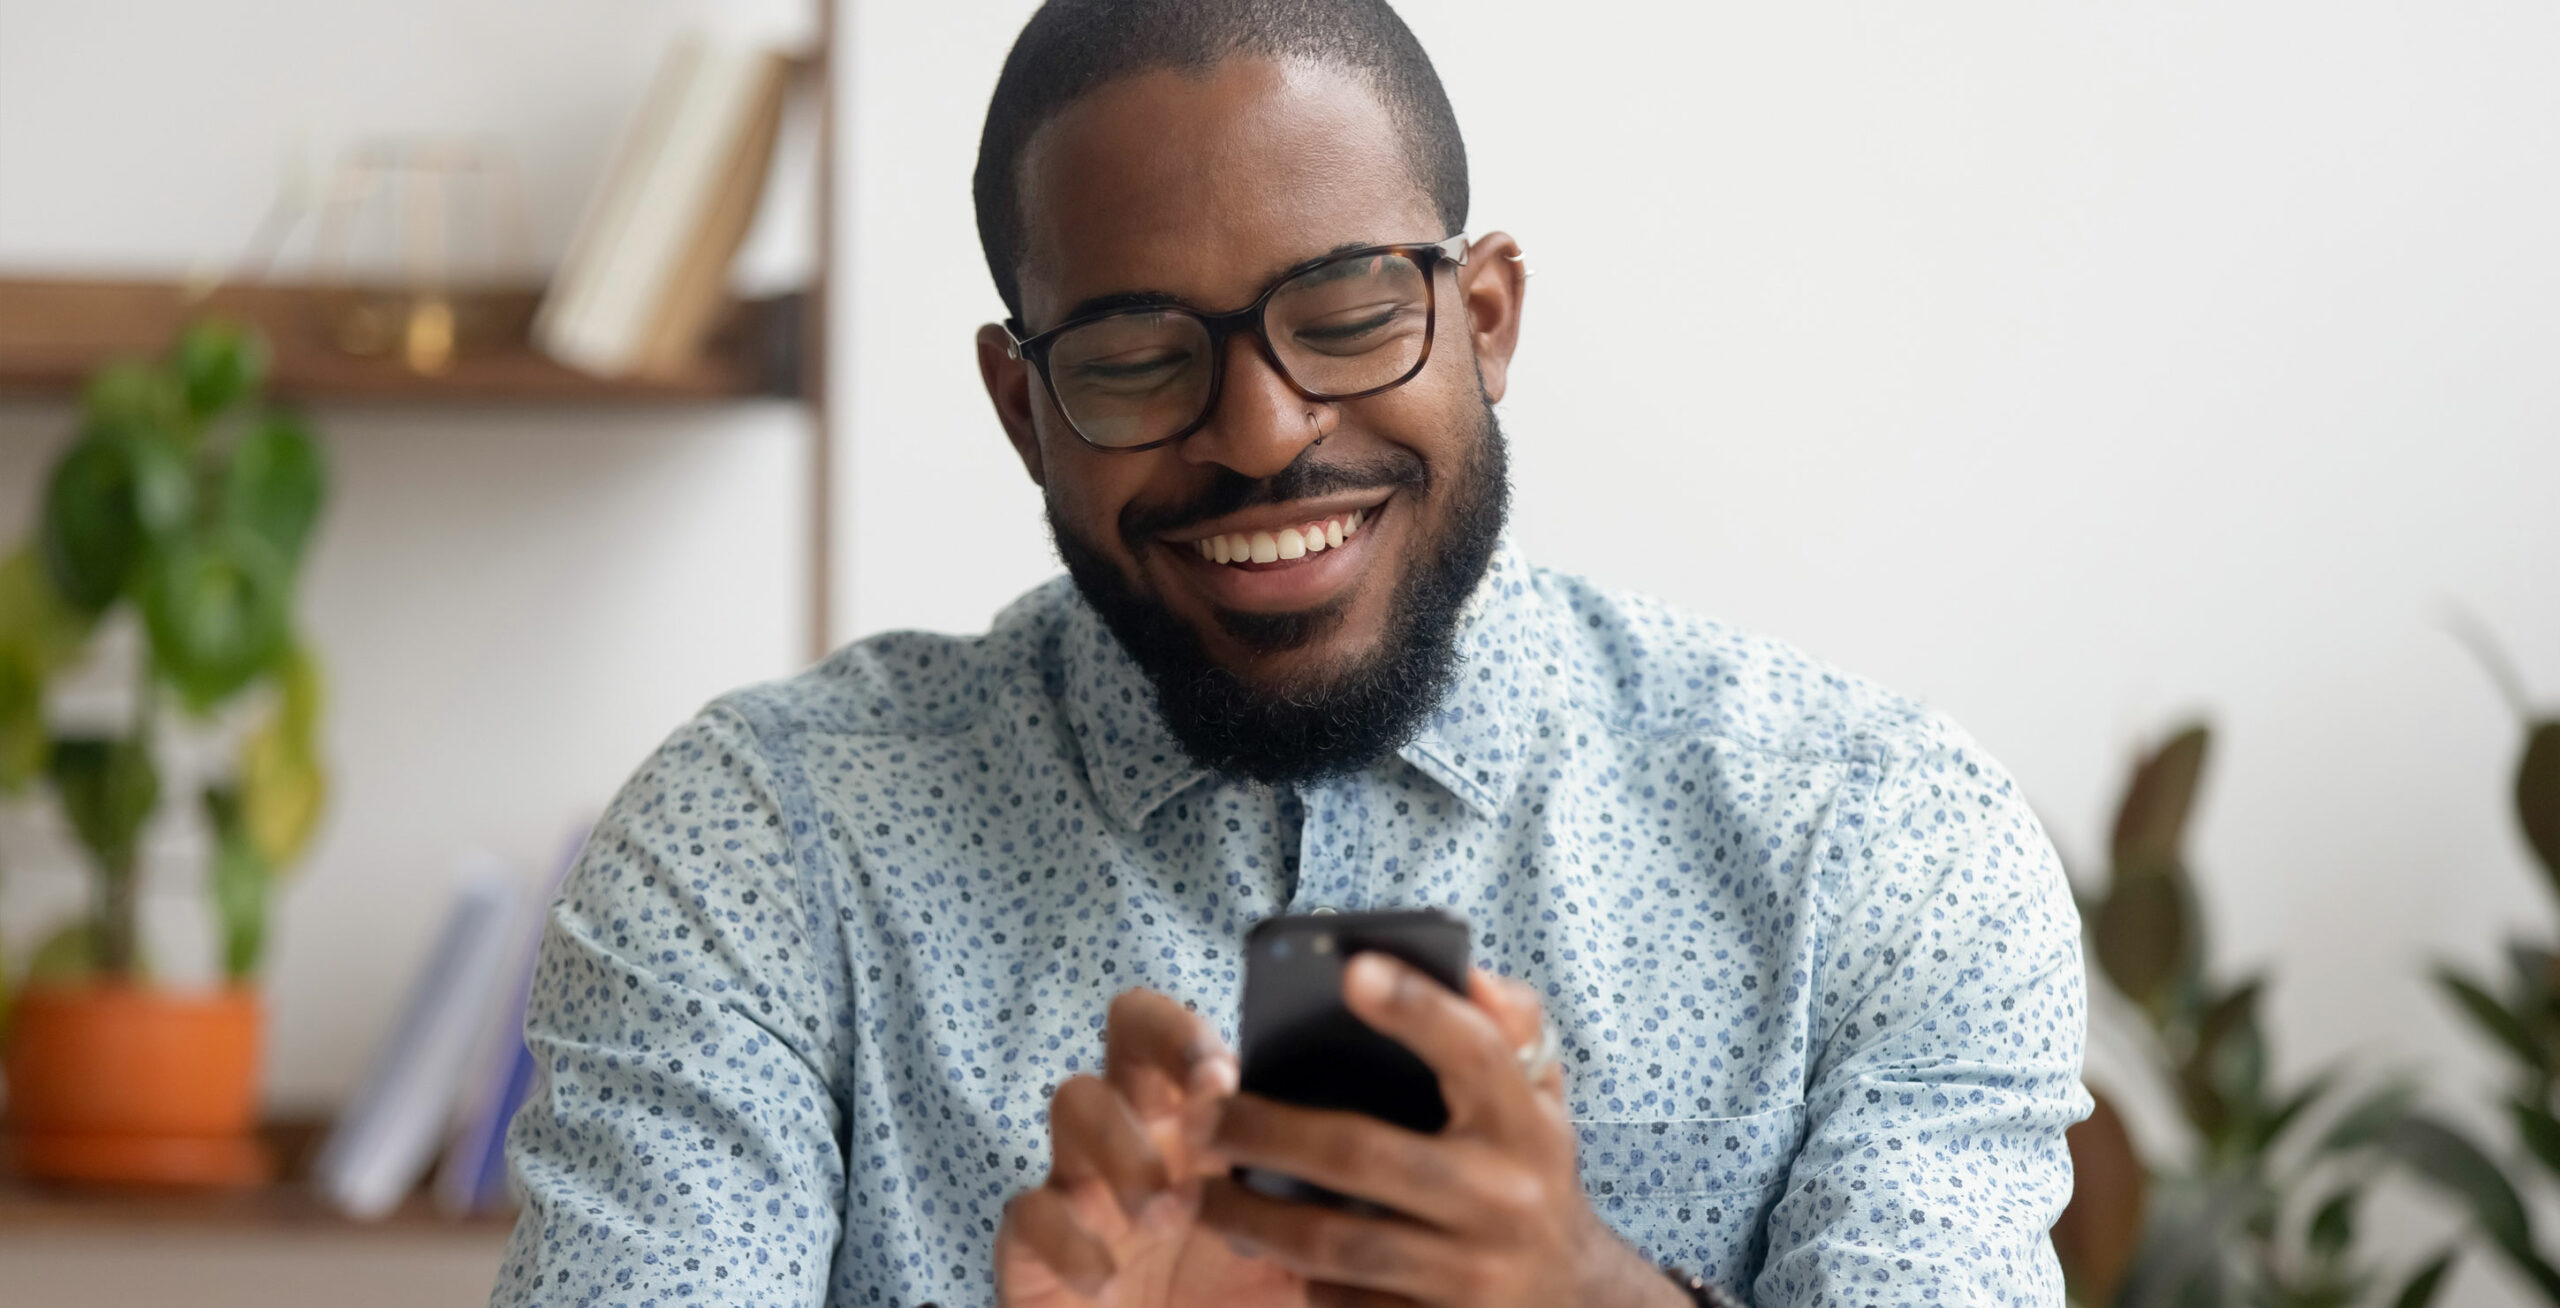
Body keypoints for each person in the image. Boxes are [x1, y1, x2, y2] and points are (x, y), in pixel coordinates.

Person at [490, 2, 2090, 1305]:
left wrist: (1584, 1298)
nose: (1263, 438)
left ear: (1488, 320)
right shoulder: (756, 850)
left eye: (1343, 317)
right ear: (1019, 408)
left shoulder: (1881, 844)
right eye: (1133, 359)